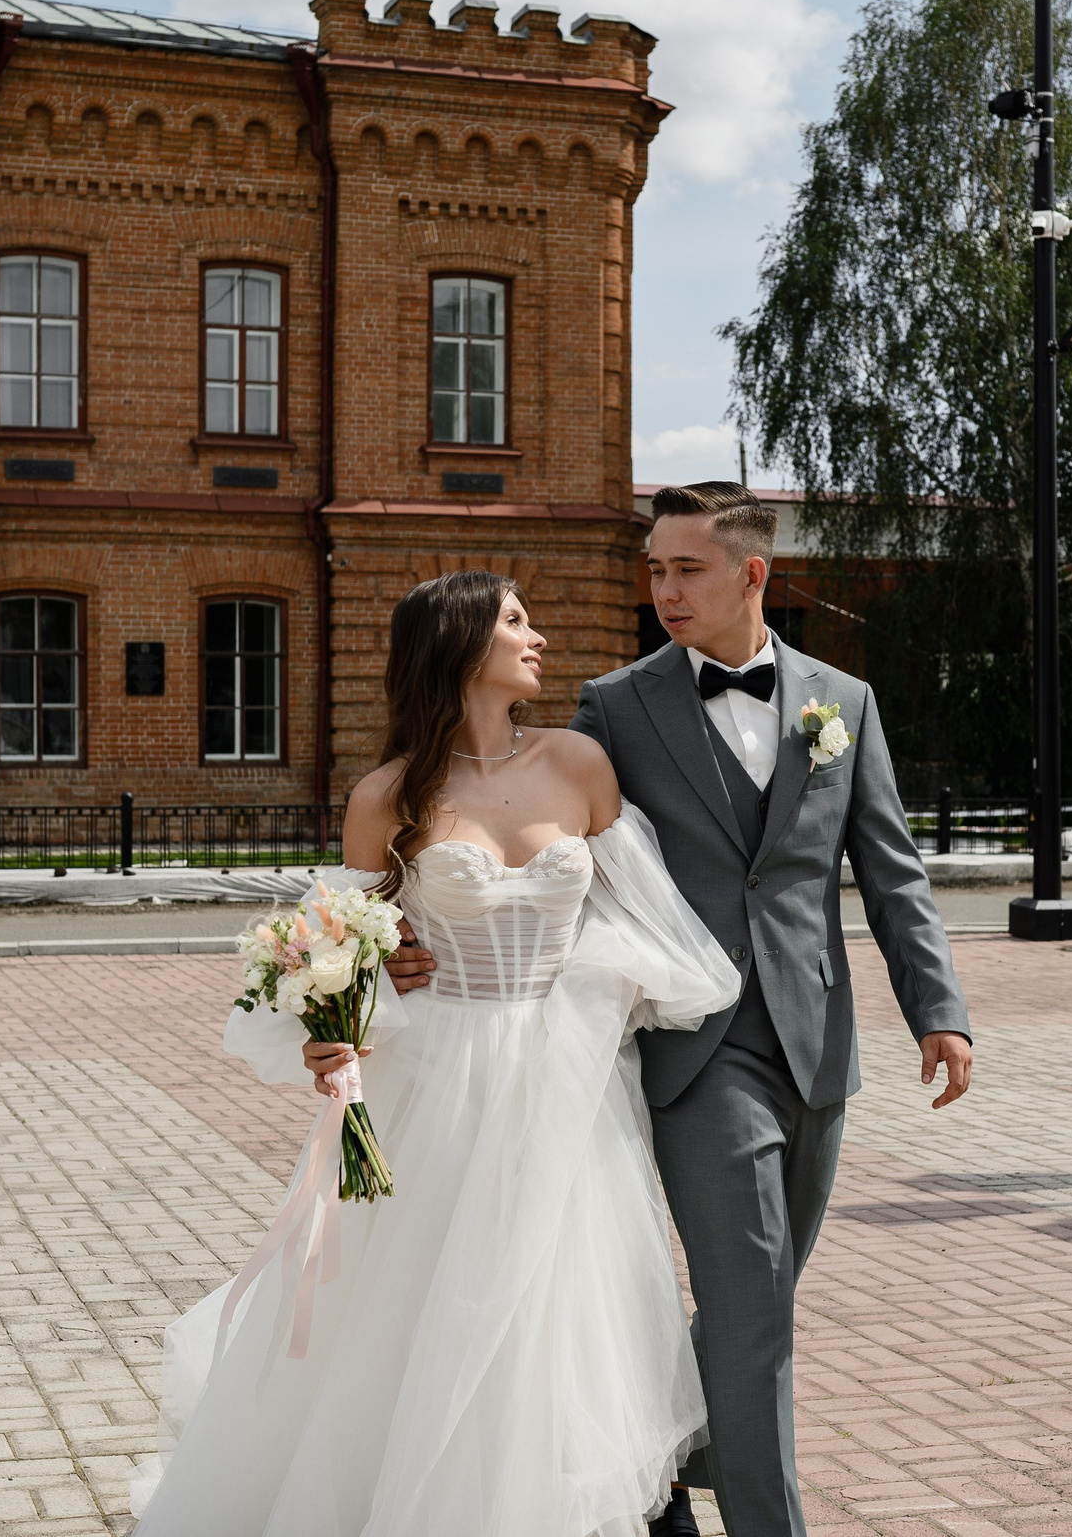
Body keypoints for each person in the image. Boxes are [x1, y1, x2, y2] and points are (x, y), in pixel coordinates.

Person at [394, 482, 975, 1537]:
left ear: (751, 573)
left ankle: (666, 1455)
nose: (662, 587)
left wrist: (939, 1009)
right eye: (653, 568)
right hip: (692, 1049)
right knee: (754, 1308)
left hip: (816, 1048)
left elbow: (891, 874)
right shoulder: (617, 707)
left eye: (685, 568)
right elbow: (550, 843)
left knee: (761, 1296)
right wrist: (430, 934)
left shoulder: (841, 703)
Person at [131, 571, 743, 1537]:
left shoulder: (578, 762)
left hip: (562, 1075)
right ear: (460, 646)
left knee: (549, 1303)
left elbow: (644, 917)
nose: (536, 636)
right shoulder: (387, 796)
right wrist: (363, 988)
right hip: (439, 1081)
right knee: (419, 1303)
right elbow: (339, 943)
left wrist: (588, 982)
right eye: (513, 621)